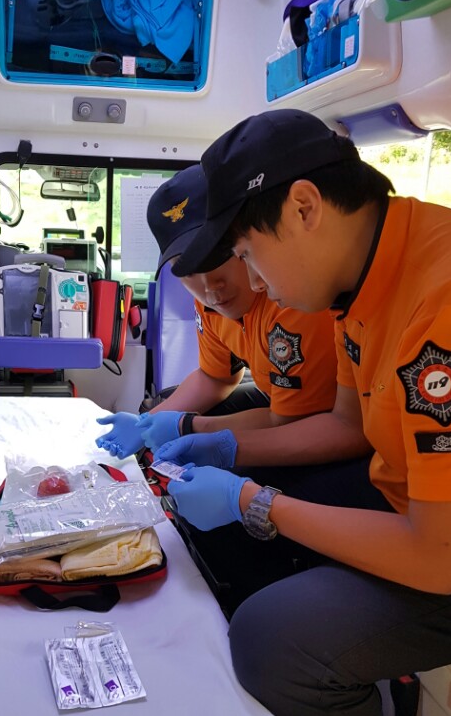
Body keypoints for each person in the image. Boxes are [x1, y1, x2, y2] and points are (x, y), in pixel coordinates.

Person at [159, 108, 451, 716]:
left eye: (249, 252)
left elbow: (443, 556)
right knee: (226, 535)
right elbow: (350, 428)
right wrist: (221, 447)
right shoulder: (364, 279)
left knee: (271, 636)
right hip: (419, 497)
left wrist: (259, 505)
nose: (253, 280)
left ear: (306, 207)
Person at [95, 164, 340, 609]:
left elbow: (291, 421)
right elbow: (216, 376)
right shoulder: (210, 302)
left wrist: (192, 429)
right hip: (283, 398)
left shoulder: (288, 299)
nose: (210, 288)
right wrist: (150, 422)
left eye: (218, 258)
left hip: (319, 417)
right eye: (188, 270)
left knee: (234, 465)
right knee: (163, 403)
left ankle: (247, 586)